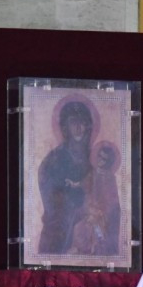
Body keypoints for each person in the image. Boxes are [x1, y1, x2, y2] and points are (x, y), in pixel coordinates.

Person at [37, 100, 93, 254]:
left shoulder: (94, 158)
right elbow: (50, 193)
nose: (78, 128)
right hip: (60, 226)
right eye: (74, 122)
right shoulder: (54, 159)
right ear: (65, 127)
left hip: (87, 221)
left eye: (82, 122)